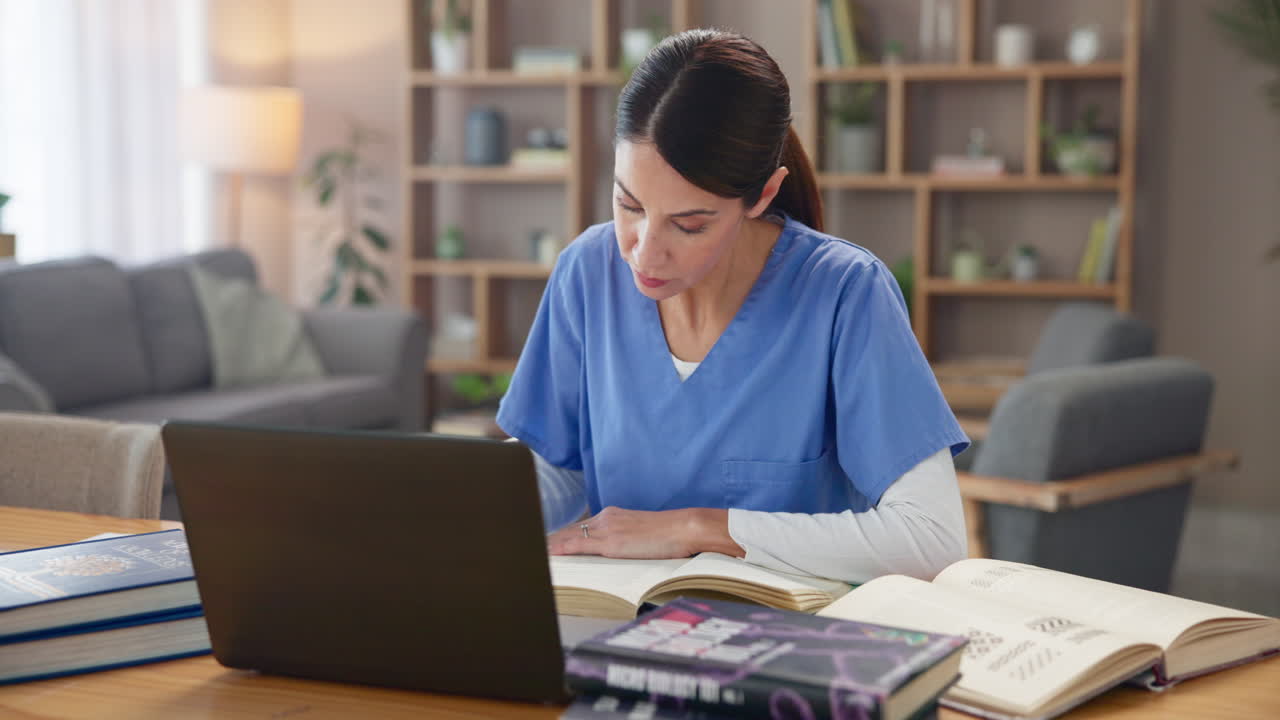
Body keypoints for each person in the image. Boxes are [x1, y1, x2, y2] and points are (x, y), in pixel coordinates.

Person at [495, 29, 969, 584]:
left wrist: (698, 529)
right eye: (629, 204)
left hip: (785, 645)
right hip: (616, 627)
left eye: (689, 224)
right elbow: (559, 465)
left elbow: (933, 539)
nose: (644, 251)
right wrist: (458, 516)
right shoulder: (587, 271)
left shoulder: (844, 293)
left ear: (763, 195)